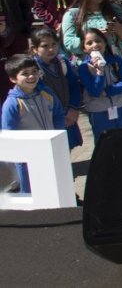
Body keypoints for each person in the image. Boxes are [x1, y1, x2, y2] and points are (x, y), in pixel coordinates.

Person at [2, 55, 66, 192]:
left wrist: (58, 135)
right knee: (31, 189)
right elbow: (9, 132)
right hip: (27, 157)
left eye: (34, 71)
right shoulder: (12, 104)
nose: (31, 76)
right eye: (25, 74)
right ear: (13, 78)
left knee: (54, 183)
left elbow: (58, 114)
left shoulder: (46, 93)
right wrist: (20, 154)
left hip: (50, 148)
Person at [76, 28, 122, 143]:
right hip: (99, 111)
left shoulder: (116, 60)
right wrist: (99, 72)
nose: (95, 45)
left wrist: (107, 92)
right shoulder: (83, 68)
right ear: (84, 48)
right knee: (105, 143)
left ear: (105, 42)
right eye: (89, 43)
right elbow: (95, 92)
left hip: (121, 106)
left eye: (98, 41)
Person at [30, 29, 82, 148]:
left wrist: (73, 108)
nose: (51, 49)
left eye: (54, 44)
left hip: (68, 113)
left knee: (67, 149)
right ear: (35, 48)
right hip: (47, 118)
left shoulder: (62, 62)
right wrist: (59, 116)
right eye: (45, 46)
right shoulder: (32, 69)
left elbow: (74, 86)